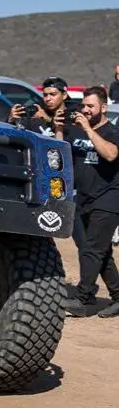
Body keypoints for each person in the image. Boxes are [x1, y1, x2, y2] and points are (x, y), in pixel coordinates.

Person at [63, 86, 119, 318]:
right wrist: (58, 128)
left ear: (103, 108)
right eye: (83, 105)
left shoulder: (112, 132)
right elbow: (64, 154)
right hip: (83, 198)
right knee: (101, 251)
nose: (85, 110)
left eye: (90, 106)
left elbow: (111, 154)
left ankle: (83, 297)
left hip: (109, 199)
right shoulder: (77, 130)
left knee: (93, 250)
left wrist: (87, 129)